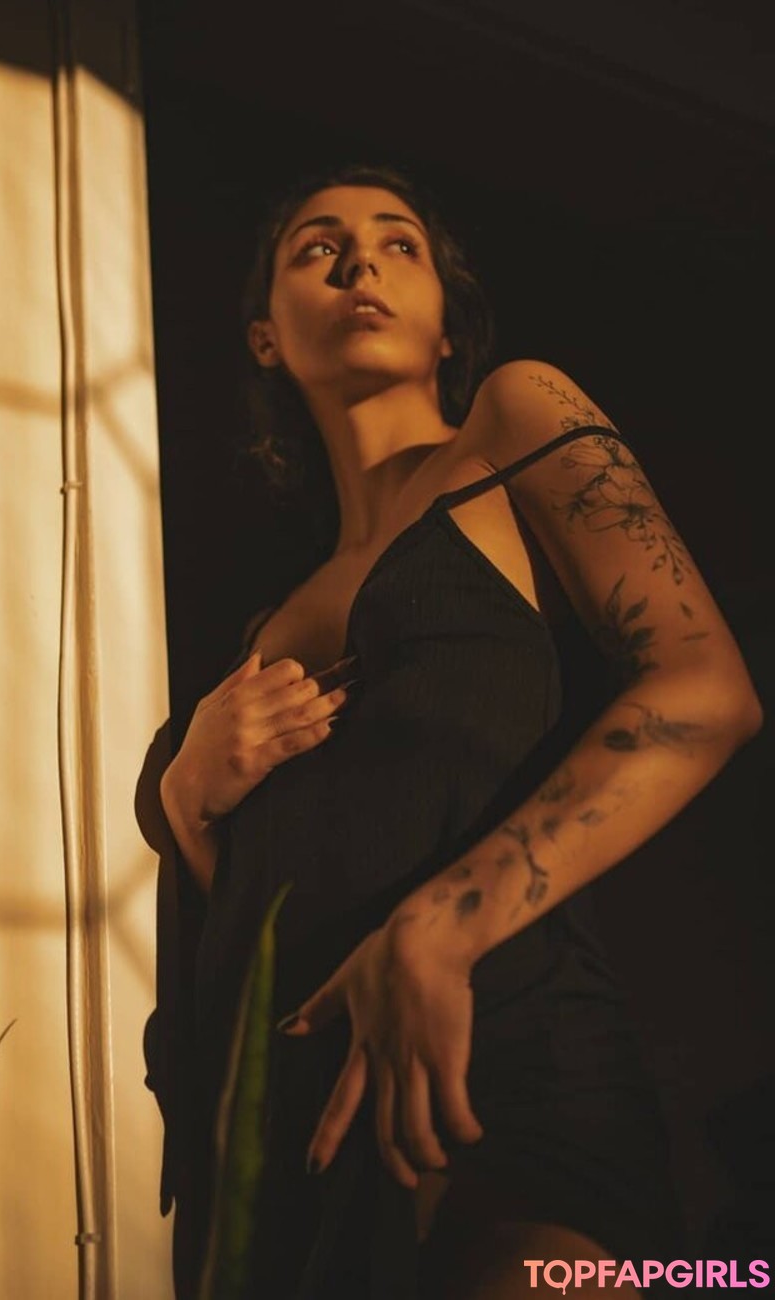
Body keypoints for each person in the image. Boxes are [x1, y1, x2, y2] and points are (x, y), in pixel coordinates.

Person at [135, 161, 763, 1299]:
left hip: (499, 1044)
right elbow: (279, 897)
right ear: (266, 335)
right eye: (317, 247)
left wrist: (443, 925)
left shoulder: (516, 421)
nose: (359, 262)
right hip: (301, 1136)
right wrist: (186, 802)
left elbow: (705, 688)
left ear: (445, 327)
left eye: (399, 244)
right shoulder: (260, 630)